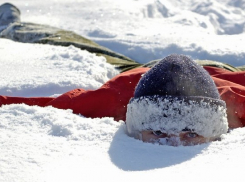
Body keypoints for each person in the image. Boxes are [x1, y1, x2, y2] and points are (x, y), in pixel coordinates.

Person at [1, 3, 245, 146]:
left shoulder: (239, 103)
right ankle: (13, 26)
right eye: (158, 132)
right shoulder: (115, 98)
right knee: (70, 43)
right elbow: (40, 106)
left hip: (227, 73)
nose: (172, 144)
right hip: (139, 73)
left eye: (191, 133)